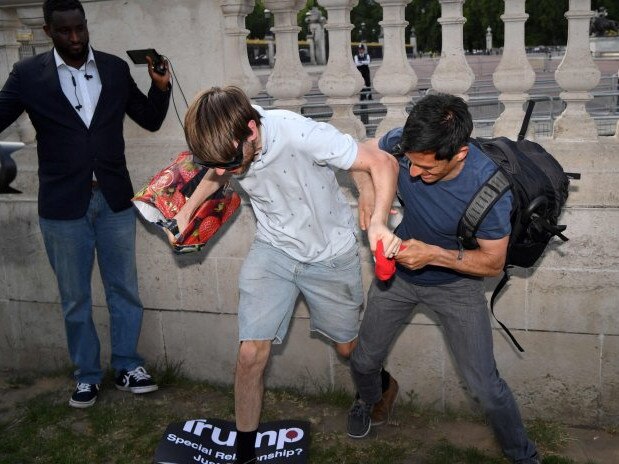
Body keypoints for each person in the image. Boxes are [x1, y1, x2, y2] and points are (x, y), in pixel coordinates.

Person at [179, 85, 402, 464]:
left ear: (251, 130)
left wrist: (378, 219)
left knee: (348, 349)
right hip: (274, 251)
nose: (222, 172)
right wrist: (187, 210)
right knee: (250, 352)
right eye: (214, 164)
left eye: (230, 164)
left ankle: (380, 386)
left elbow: (381, 162)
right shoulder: (229, 150)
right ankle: (245, 453)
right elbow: (216, 173)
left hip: (330, 254)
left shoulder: (300, 133)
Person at [347, 93, 541, 464]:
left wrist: (432, 255)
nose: (414, 175)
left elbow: (492, 263)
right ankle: (372, 399)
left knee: (486, 388)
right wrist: (368, 191)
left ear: (459, 155)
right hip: (398, 277)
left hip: (456, 286)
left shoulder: (489, 189)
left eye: (427, 169)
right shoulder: (407, 144)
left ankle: (524, 455)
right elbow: (362, 154)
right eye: (411, 164)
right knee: (362, 361)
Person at [0, 0, 171, 408]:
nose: (75, 38)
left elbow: (148, 118)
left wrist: (160, 87)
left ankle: (128, 365)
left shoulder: (114, 68)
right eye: (65, 31)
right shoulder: (27, 75)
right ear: (48, 32)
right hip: (62, 204)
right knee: (74, 296)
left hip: (113, 198)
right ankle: (87, 374)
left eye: (80, 29)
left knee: (123, 289)